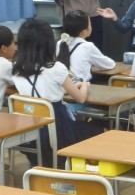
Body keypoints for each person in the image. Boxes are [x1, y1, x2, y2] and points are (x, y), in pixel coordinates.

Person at [12, 19, 103, 167]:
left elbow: (42, 93)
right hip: (58, 131)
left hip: (29, 132)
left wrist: (65, 89)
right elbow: (80, 98)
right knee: (100, 130)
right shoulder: (56, 68)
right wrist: (84, 85)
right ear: (48, 42)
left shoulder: (16, 68)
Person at [56, 10, 115, 82]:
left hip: (61, 85)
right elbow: (109, 64)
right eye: (90, 24)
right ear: (84, 32)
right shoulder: (88, 46)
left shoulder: (60, 43)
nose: (91, 26)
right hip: (79, 86)